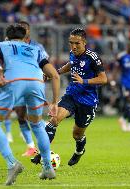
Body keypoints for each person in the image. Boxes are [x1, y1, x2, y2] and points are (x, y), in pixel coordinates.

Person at [0, 24, 60, 185]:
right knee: (37, 124)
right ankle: (47, 167)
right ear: (24, 38)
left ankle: (12, 163)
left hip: (14, 81)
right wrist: (54, 102)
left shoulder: (0, 45)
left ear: (7, 37)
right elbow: (54, 75)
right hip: (36, 83)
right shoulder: (34, 49)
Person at [31, 28, 107, 166]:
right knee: (54, 120)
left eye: (77, 43)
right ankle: (43, 152)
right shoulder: (73, 53)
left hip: (88, 101)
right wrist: (55, 73)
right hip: (72, 95)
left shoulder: (92, 57)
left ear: (84, 42)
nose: (73, 46)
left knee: (77, 134)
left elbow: (103, 79)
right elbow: (71, 65)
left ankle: (79, 151)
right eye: (71, 43)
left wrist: (84, 81)